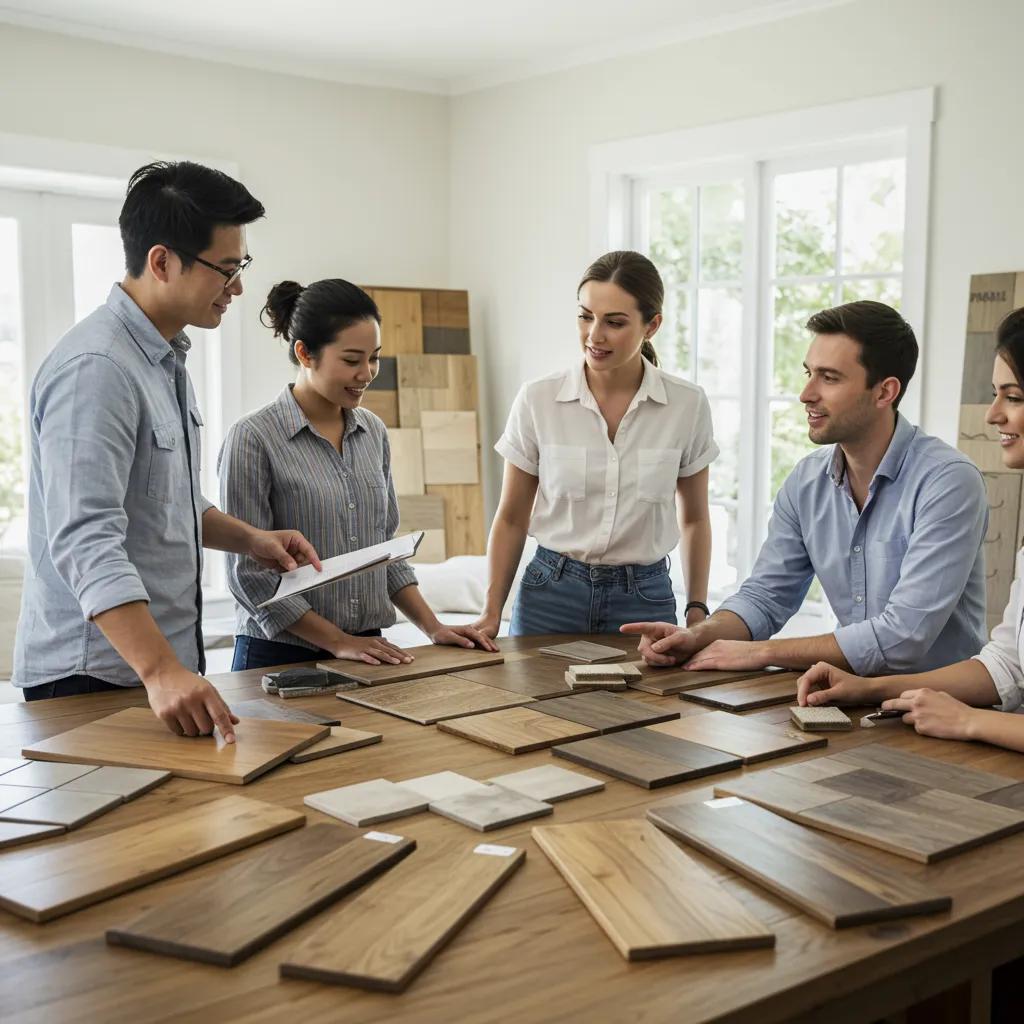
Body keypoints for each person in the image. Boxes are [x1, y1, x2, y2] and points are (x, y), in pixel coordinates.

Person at [12, 161, 320, 741]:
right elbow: (85, 538)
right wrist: (159, 670)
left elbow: (167, 500)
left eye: (242, 267)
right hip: (94, 677)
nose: (238, 288)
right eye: (227, 269)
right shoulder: (97, 369)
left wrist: (251, 540)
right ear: (162, 262)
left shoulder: (163, 360)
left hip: (150, 672)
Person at [623, 300, 988, 675]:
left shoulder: (948, 482)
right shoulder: (807, 481)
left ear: (884, 392)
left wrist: (761, 652)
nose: (806, 393)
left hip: (945, 704)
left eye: (829, 378)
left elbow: (904, 636)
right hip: (849, 692)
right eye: (808, 373)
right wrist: (696, 636)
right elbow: (765, 597)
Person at [218, 278, 498, 671]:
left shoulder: (373, 432)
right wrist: (337, 642)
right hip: (280, 655)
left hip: (366, 649)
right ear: (305, 353)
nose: (367, 373)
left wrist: (433, 627)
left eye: (374, 358)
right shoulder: (253, 437)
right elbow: (249, 575)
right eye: (352, 361)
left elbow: (385, 552)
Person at [797, 308, 1024, 753]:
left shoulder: (948, 478)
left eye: (1013, 398)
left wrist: (971, 721)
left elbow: (904, 634)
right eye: (994, 395)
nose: (992, 415)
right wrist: (868, 689)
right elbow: (1009, 666)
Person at [470, 250, 717, 638]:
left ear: (652, 325)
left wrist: (697, 609)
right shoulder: (538, 399)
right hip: (549, 596)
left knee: (646, 684)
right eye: (586, 316)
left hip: (644, 598)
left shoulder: (687, 405)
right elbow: (512, 517)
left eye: (614, 322)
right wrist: (490, 613)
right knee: (530, 683)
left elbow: (695, 518)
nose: (594, 335)